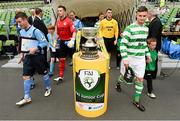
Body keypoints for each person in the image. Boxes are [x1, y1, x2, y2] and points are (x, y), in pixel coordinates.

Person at [15, 12, 52, 106]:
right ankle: (27, 97)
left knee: (44, 74)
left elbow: (45, 43)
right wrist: (22, 55)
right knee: (26, 76)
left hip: (38, 57)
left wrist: (36, 48)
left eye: (20, 22)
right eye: (17, 22)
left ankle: (48, 87)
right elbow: (24, 44)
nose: (19, 24)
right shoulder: (21, 31)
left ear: (25, 19)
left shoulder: (36, 31)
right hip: (28, 57)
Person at [119, 6, 151, 111]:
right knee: (125, 77)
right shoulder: (130, 28)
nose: (142, 18)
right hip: (130, 58)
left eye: (144, 16)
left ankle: (136, 101)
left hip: (140, 59)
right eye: (140, 16)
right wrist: (125, 58)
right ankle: (118, 83)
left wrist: (148, 54)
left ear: (147, 16)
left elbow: (144, 44)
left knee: (140, 79)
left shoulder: (146, 28)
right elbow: (123, 44)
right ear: (136, 16)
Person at [54, 5, 76, 84]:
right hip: (62, 42)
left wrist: (73, 40)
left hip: (69, 42)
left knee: (74, 59)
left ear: (64, 12)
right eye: (58, 11)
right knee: (62, 60)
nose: (59, 12)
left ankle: (78, 74)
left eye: (61, 10)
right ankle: (60, 76)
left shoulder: (69, 21)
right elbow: (58, 33)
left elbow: (74, 31)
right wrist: (55, 41)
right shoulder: (58, 22)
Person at [147, 9, 164, 78]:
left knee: (153, 59)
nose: (147, 16)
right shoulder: (155, 21)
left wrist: (151, 44)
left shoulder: (156, 22)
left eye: (147, 14)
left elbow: (154, 35)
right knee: (152, 58)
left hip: (154, 45)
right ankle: (151, 73)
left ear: (151, 14)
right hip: (153, 44)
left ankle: (153, 74)